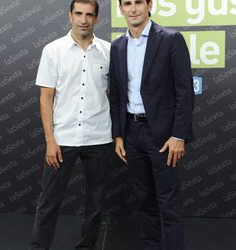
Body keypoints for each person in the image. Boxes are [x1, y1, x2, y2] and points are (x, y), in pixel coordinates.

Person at [109, 0, 194, 250]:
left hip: (163, 137)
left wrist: (179, 135)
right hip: (131, 134)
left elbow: (184, 91)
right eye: (127, 3)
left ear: (149, 6)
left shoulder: (170, 39)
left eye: (138, 3)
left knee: (168, 202)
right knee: (144, 201)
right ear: (121, 9)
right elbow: (115, 95)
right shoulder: (117, 46)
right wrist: (118, 136)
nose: (133, 8)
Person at [29, 1, 112, 249]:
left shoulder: (109, 51)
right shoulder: (52, 50)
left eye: (89, 14)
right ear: (70, 16)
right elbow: (46, 97)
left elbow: (117, 95)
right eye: (78, 14)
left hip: (99, 137)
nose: (83, 19)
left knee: (96, 202)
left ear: (96, 18)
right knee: (49, 201)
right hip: (62, 138)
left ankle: (87, 246)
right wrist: (50, 140)